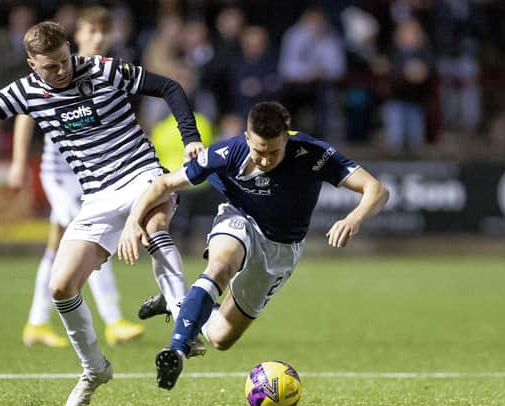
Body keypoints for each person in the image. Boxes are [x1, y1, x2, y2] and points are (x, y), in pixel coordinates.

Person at [0, 21, 205, 406]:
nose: (61, 71)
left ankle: (184, 325)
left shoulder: (101, 68)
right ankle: (94, 368)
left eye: (64, 60)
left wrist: (190, 136)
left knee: (154, 228)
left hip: (141, 174)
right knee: (61, 287)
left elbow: (169, 87)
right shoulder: (27, 92)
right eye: (51, 66)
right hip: (97, 196)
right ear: (32, 64)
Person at [118, 102, 389, 390]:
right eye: (259, 151)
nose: (265, 160)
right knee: (221, 264)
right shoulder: (227, 152)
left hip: (281, 249)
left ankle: (177, 304)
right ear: (247, 137)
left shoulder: (313, 153)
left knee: (220, 337)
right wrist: (132, 221)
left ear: (287, 138)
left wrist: (354, 218)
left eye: (274, 152)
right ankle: (177, 350)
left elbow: (377, 190)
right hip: (239, 219)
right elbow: (163, 184)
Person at [8, 7, 144, 349]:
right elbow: (25, 112)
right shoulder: (58, 68)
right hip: (62, 174)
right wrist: (18, 162)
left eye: (104, 30)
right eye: (91, 30)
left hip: (97, 176)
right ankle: (113, 320)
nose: (98, 37)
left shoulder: (110, 70)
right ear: (76, 37)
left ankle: (36, 323)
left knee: (56, 248)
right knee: (90, 236)